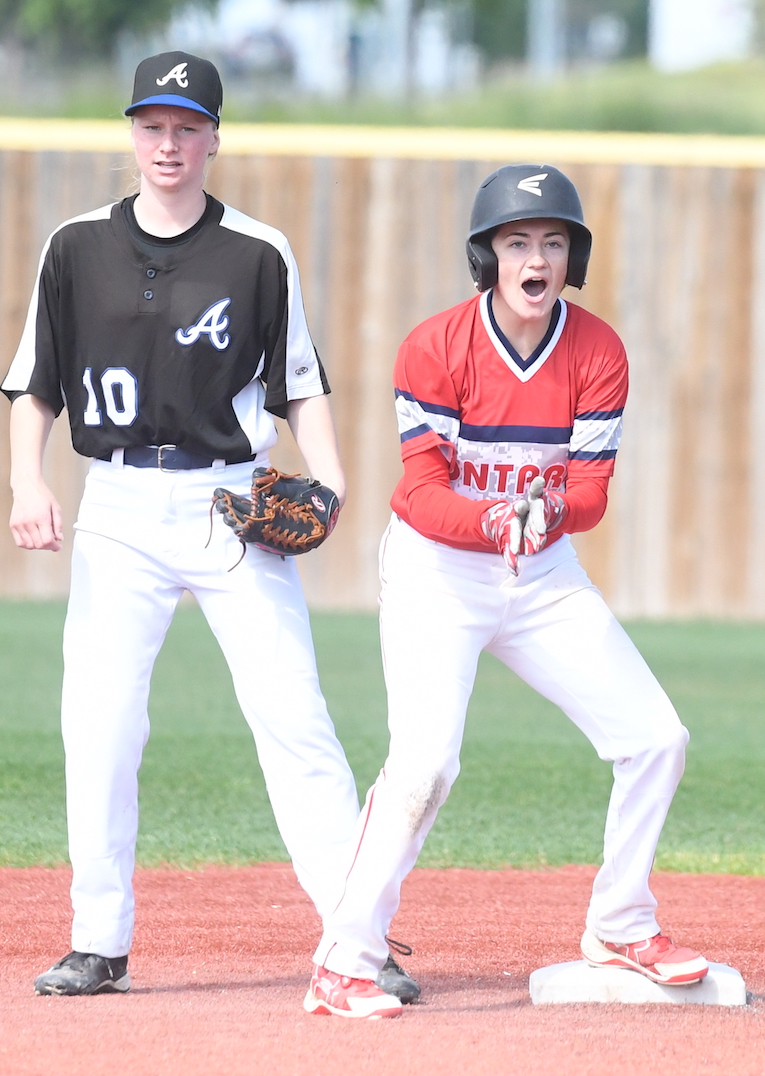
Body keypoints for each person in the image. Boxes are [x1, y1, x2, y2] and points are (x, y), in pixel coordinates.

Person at [0, 50, 414, 1015]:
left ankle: (357, 939)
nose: (168, 144)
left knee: (294, 719)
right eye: (153, 125)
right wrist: (27, 478)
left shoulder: (258, 253)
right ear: (131, 132)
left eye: (187, 127)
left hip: (231, 507)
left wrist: (332, 478)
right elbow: (36, 384)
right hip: (117, 506)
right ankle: (98, 941)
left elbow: (299, 382)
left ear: (215, 138)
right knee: (100, 726)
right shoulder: (74, 246)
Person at [310, 164, 710, 1000]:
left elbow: (591, 493)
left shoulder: (597, 350)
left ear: (572, 259)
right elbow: (424, 492)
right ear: (487, 257)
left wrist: (546, 513)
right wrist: (497, 521)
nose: (536, 259)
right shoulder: (435, 347)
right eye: (518, 242)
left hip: (542, 574)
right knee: (425, 767)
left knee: (656, 738)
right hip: (437, 572)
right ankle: (343, 962)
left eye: (553, 243)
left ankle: (620, 923)